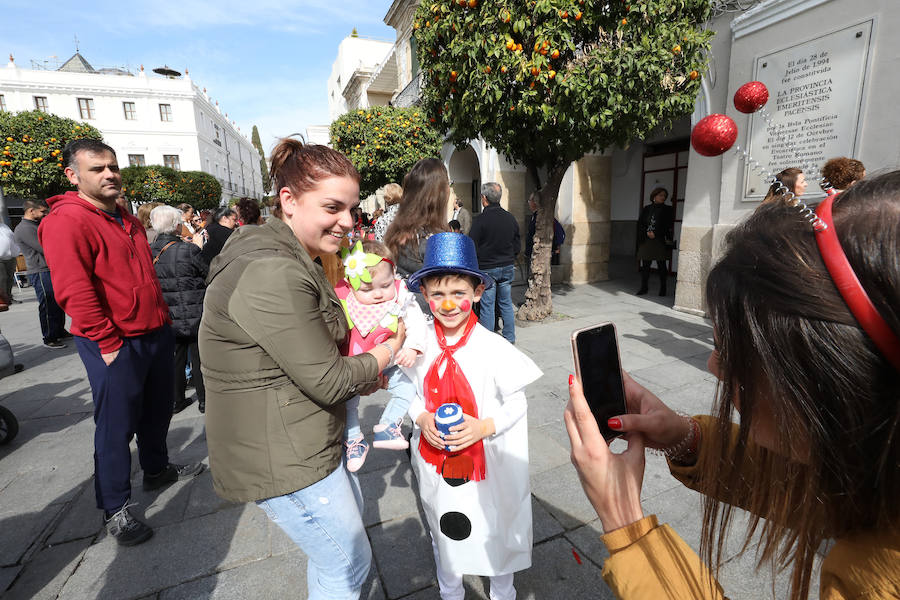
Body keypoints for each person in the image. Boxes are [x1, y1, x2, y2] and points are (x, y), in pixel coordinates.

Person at [566, 170, 900, 600]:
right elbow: (827, 491)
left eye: (734, 353)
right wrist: (685, 438)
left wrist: (625, 522)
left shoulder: (875, 580)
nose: (712, 366)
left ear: (832, 375)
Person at [199, 138, 405, 599]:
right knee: (348, 565)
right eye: (333, 207)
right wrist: (389, 351)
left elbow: (312, 355)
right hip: (284, 452)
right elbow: (329, 379)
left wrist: (363, 368)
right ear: (288, 202)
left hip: (297, 434)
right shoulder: (273, 270)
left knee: (334, 561)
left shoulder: (293, 256)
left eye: (351, 208)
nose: (347, 222)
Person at [40, 139, 203, 547]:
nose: (110, 173)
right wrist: (107, 341)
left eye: (112, 166)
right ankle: (115, 507)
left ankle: (157, 468)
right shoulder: (67, 220)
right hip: (113, 342)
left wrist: (162, 324)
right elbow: (74, 290)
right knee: (115, 427)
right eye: (97, 169)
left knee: (157, 411)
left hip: (153, 332)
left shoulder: (125, 218)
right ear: (73, 176)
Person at [405, 232, 542, 600]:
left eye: (458, 294)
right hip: (436, 462)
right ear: (425, 296)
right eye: (437, 295)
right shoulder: (419, 347)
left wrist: (483, 426)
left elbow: (517, 404)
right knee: (442, 526)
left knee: (494, 525)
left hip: (487, 465)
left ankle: (502, 592)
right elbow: (405, 392)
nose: (448, 305)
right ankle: (450, 591)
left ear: (477, 293)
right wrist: (421, 418)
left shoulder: (493, 347)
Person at [335, 239, 427, 471]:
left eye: (385, 285)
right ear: (351, 283)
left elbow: (416, 321)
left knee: (407, 388)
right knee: (347, 403)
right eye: (367, 289)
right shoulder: (344, 299)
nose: (377, 294)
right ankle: (354, 439)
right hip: (355, 365)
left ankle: (388, 424)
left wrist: (413, 346)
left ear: (393, 276)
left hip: (390, 365)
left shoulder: (400, 297)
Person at [149, 205, 209, 415]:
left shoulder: (149, 250)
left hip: (167, 313)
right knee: (199, 357)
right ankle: (204, 400)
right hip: (194, 311)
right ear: (176, 226)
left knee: (176, 357)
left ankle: (176, 400)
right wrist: (199, 248)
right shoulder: (188, 250)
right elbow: (207, 273)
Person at [385, 159, 450, 312]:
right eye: (448, 184)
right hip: (431, 320)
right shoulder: (435, 239)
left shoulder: (397, 231)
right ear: (439, 194)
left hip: (404, 313)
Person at [468, 182, 520, 344]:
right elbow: (517, 244)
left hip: (487, 268)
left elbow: (471, 245)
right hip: (507, 266)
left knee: (487, 305)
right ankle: (510, 337)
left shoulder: (480, 220)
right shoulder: (510, 218)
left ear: (484, 198)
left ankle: (488, 341)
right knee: (506, 303)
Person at [14, 199, 69, 348]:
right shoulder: (25, 228)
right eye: (42, 211)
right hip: (40, 271)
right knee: (48, 304)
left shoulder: (35, 225)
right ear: (31, 211)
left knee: (57, 303)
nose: (45, 214)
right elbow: (45, 247)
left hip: (49, 269)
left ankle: (58, 330)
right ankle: (49, 337)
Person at [635, 187, 674, 296]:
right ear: (654, 196)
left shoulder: (668, 209)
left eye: (664, 196)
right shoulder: (646, 208)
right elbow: (641, 223)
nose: (663, 197)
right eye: (660, 195)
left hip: (659, 240)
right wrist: (647, 232)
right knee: (646, 265)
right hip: (646, 240)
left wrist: (656, 233)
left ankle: (663, 288)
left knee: (661, 265)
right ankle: (644, 287)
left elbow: (667, 225)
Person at [525, 192, 566, 272]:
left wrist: (554, 247)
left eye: (529, 200)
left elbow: (560, 233)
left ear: (534, 202)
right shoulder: (535, 216)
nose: (528, 203)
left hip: (539, 255)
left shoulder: (541, 217)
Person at [0, 220, 19, 308]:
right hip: (0, 258)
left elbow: (12, 238)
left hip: (10, 257)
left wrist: (16, 251)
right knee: (2, 278)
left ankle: (9, 297)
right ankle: (3, 299)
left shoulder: (4, 226)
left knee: (10, 279)